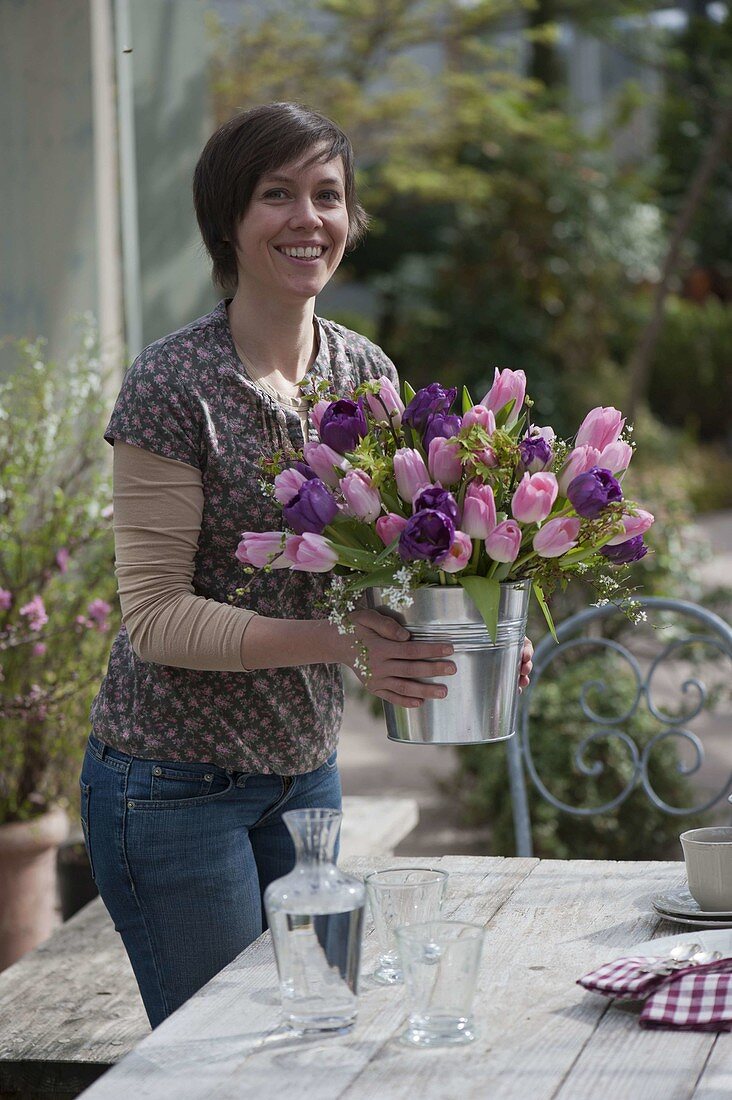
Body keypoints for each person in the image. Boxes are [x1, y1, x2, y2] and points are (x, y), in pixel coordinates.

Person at [80, 102, 533, 1029]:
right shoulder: (175, 386)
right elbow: (157, 618)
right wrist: (340, 643)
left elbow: (398, 569)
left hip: (307, 780)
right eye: (275, 194)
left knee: (317, 1041)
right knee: (224, 1063)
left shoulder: (364, 374)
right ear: (227, 222)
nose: (307, 218)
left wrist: (473, 635)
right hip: (171, 787)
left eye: (327, 194)